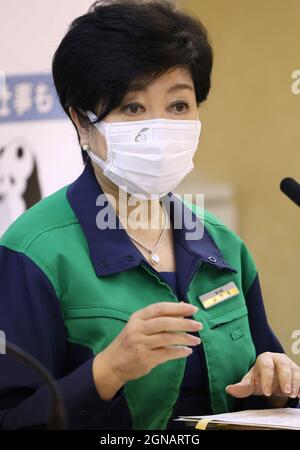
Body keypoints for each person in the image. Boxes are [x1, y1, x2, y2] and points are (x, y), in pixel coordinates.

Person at [0, 0, 299, 430]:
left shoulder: (222, 244)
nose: (159, 128)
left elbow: (258, 388)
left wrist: (275, 388)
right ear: (82, 124)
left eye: (178, 106)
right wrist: (108, 371)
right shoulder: (33, 252)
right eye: (132, 108)